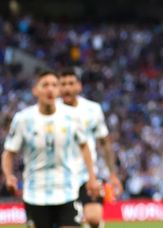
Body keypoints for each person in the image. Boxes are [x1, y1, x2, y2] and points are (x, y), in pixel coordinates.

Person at [2, 71, 101, 228]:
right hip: (35, 194)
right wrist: (9, 176)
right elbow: (9, 152)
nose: (50, 89)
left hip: (67, 191)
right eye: (45, 85)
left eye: (54, 85)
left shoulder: (72, 117)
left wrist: (92, 177)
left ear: (58, 90)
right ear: (35, 90)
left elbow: (84, 146)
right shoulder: (23, 119)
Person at [59, 70, 123, 228]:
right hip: (60, 175)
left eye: (71, 83)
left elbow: (104, 143)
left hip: (86, 173)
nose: (67, 88)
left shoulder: (92, 109)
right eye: (63, 84)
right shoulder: (52, 110)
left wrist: (112, 174)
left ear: (79, 86)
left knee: (94, 218)